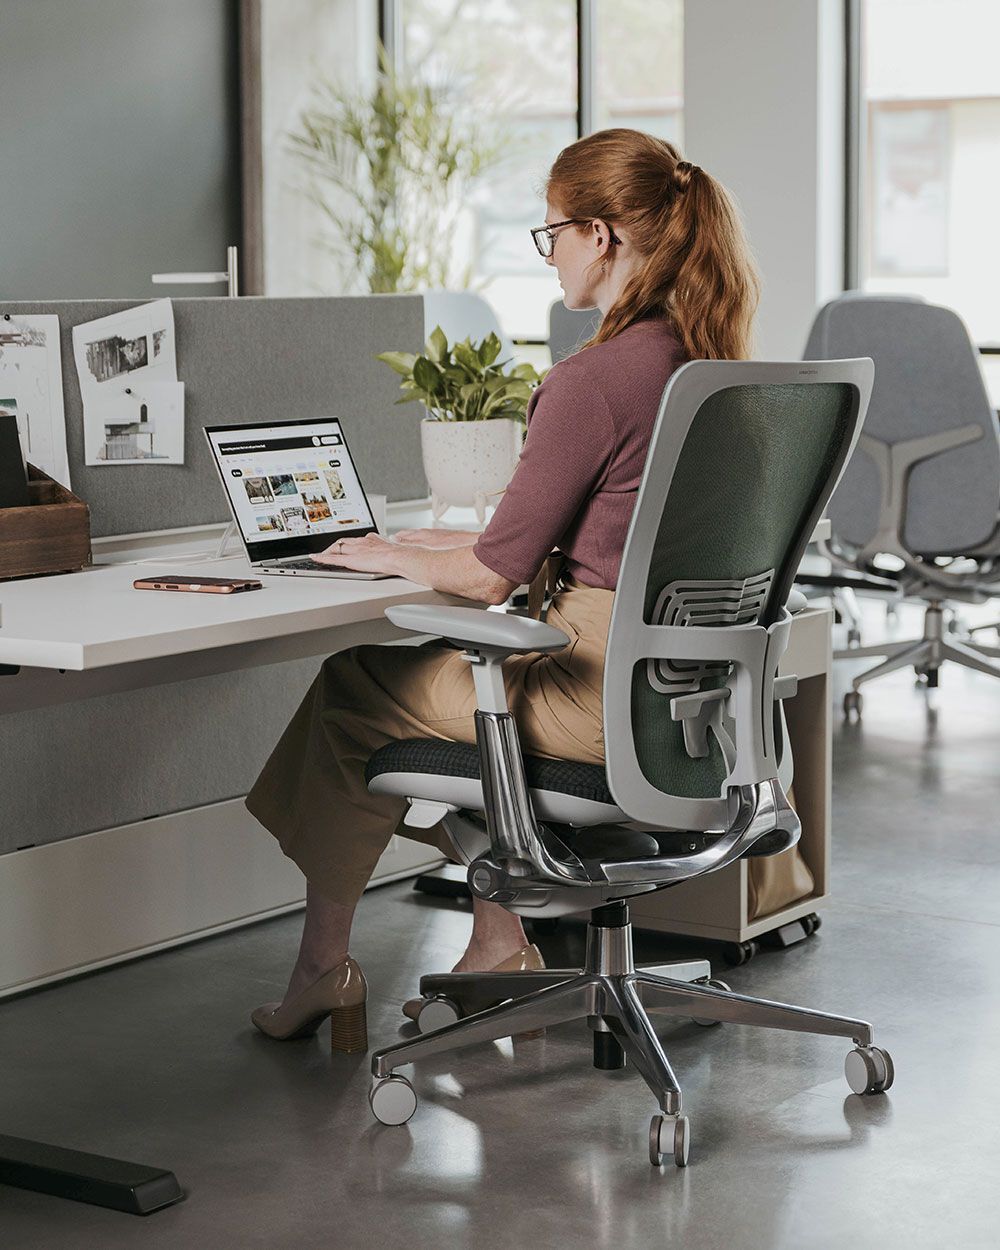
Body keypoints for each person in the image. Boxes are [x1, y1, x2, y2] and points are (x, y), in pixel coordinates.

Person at [245, 127, 759, 1052]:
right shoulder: (712, 369)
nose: (548, 250)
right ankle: (496, 941)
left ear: (601, 235)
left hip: (591, 696)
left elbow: (490, 578)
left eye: (551, 230)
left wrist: (390, 557)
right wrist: (438, 541)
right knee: (464, 710)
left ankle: (326, 964)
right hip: (690, 702)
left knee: (356, 688)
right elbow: (601, 530)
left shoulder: (594, 379)